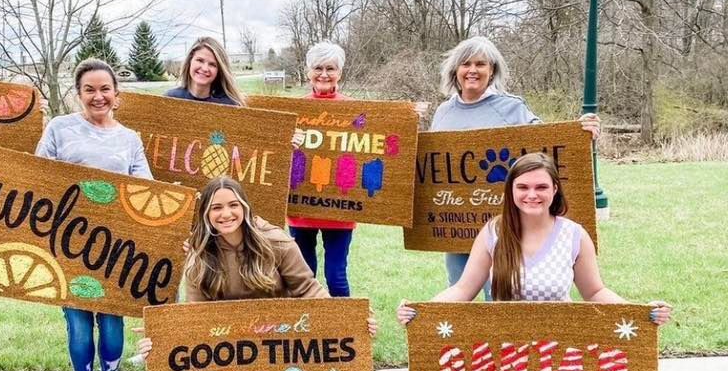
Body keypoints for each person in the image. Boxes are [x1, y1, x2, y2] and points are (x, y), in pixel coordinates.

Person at [0, 58, 151, 371]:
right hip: (67, 243)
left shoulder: (130, 138)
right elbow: (35, 180)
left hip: (114, 247)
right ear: (78, 93)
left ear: (117, 93)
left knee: (112, 322)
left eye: (105, 89)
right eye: (89, 90)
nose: (98, 96)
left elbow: (145, 188)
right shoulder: (60, 128)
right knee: (78, 323)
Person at [396, 153, 673, 326]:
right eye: (523, 187)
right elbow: (462, 290)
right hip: (503, 340)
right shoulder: (493, 232)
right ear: (511, 191)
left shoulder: (574, 235)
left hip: (560, 341)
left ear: (555, 189)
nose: (532, 195)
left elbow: (595, 292)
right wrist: (421, 310)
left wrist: (639, 311)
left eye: (541, 187)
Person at [132, 176, 376, 361]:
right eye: (216, 208)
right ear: (205, 213)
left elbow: (308, 290)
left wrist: (351, 319)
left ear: (245, 207)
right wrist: (164, 337)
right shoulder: (199, 256)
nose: (226, 214)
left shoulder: (277, 242)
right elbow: (197, 316)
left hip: (281, 341)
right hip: (231, 347)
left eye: (233, 205)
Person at [429, 36, 602, 295]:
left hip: (502, 225)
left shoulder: (511, 107)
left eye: (480, 64)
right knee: (458, 291)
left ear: (492, 71)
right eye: (466, 64)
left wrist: (580, 130)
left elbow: (549, 145)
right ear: (455, 70)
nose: (473, 70)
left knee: (499, 295)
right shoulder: (443, 112)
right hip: (456, 221)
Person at [287, 41, 356, 297]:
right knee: (304, 275)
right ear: (308, 72)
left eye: (330, 68)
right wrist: (287, 142)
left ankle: (345, 321)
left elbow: (383, 133)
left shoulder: (355, 109)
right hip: (301, 209)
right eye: (318, 68)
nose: (324, 74)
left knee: (336, 275)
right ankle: (308, 320)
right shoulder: (294, 110)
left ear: (340, 72)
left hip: (340, 210)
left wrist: (409, 114)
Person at [165, 37, 246, 106]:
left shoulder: (229, 105)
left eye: (212, 64)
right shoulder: (170, 99)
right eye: (200, 60)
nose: (205, 68)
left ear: (219, 70)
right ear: (190, 61)